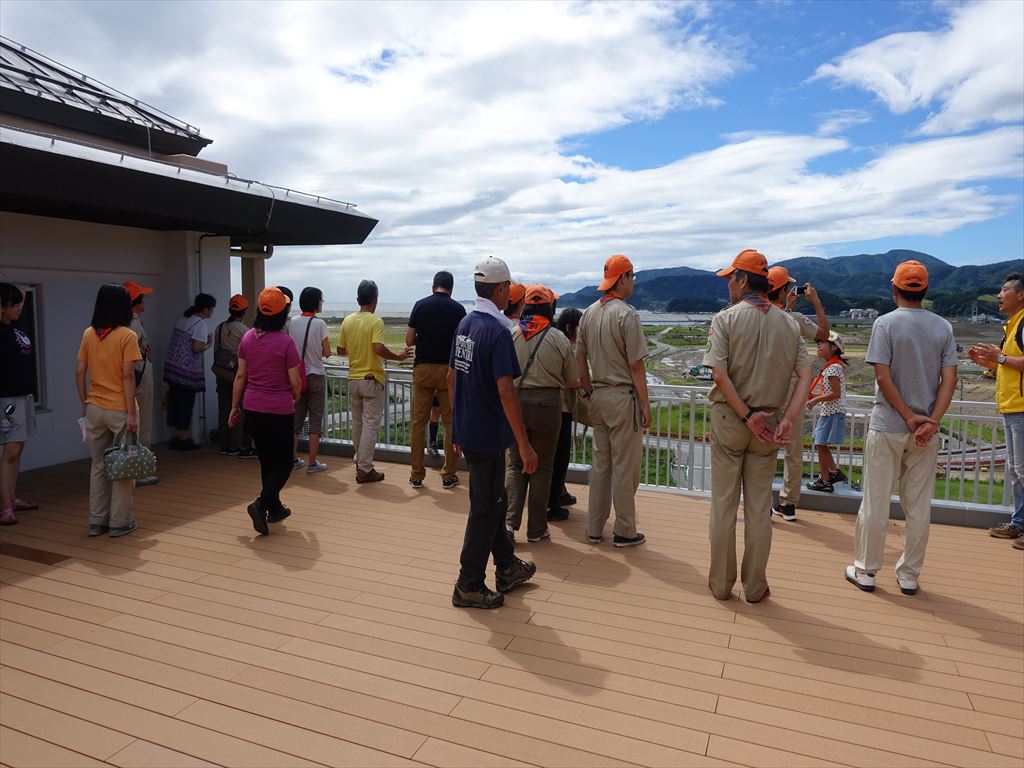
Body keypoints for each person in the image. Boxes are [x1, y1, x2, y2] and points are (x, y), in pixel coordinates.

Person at [703, 249, 810, 602]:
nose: (727, 286)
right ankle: (755, 586)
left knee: (723, 505)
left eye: (730, 278)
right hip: (771, 425)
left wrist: (747, 416)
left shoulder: (725, 319)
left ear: (743, 280)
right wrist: (788, 420)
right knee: (759, 509)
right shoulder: (789, 323)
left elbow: (718, 373)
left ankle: (720, 584)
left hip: (733, 421)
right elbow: (805, 375)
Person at [845, 260, 957, 596]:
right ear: (925, 290)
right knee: (919, 505)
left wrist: (908, 416)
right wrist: (931, 420)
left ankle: (865, 570)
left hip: (888, 425)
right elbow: (949, 379)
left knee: (876, 500)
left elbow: (883, 376)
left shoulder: (885, 323)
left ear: (894, 289)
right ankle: (909, 575)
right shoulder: (943, 327)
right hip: (925, 431)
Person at [449, 257, 537, 608]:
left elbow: (453, 377)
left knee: (494, 501)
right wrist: (524, 444)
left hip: (470, 429)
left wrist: (455, 427)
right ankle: (468, 583)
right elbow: (505, 390)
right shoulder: (498, 331)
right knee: (485, 507)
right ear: (501, 289)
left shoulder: (466, 324)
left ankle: (506, 566)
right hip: (487, 433)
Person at [576, 254, 650, 547]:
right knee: (624, 467)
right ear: (622, 278)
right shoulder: (627, 314)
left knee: (602, 465)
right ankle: (624, 530)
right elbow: (636, 366)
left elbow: (580, 358)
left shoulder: (588, 313)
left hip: (598, 396)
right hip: (622, 397)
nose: (633, 282)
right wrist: (645, 405)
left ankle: (594, 528)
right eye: (632, 277)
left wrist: (587, 390)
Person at [505, 285, 581, 543]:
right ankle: (537, 529)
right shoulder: (558, 338)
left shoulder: (513, 334)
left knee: (515, 465)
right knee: (542, 467)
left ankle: (508, 524)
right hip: (548, 404)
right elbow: (572, 380)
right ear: (548, 307)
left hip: (514, 403)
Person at [229, 287, 302, 536]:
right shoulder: (285, 342)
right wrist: (295, 395)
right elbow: (295, 382)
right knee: (283, 464)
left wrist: (233, 407)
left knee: (266, 461)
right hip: (279, 409)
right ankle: (261, 503)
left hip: (252, 406)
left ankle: (274, 508)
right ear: (283, 313)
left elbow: (240, 375)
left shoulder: (248, 338)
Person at [76, 284, 142, 537]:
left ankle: (96, 521)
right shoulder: (127, 335)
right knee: (124, 466)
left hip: (94, 407)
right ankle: (119, 522)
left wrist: (85, 402)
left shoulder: (88, 334)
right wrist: (132, 414)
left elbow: (79, 371)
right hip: (120, 409)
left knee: (98, 465)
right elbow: (127, 376)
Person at [764, 268, 828, 521]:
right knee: (793, 449)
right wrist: (816, 302)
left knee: (762, 447)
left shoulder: (756, 315)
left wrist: (787, 306)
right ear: (782, 291)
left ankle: (760, 503)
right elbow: (824, 333)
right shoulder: (795, 319)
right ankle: (788, 503)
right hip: (792, 390)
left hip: (763, 389)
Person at [336, 280, 412, 483]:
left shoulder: (347, 321)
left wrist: (357, 349)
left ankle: (359, 460)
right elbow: (378, 348)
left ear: (358, 299)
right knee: (371, 425)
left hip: (353, 379)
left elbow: (340, 351)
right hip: (371, 379)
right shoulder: (376, 321)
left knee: (358, 423)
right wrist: (398, 357)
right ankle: (365, 468)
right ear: (375, 300)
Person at [969, 273, 1024, 549]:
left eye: (1004, 290)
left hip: (1021, 408)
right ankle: (1019, 524)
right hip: (1012, 407)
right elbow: (1009, 365)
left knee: (1023, 471)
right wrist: (988, 362)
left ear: (1021, 294)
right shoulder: (1012, 327)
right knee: (1016, 471)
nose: (999, 296)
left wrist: (999, 357)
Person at [406, 270, 466, 489]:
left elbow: (409, 339)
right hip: (448, 371)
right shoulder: (459, 309)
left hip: (422, 369)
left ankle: (416, 475)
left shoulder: (420, 305)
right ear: (451, 288)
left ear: (433, 286)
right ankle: (448, 474)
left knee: (418, 423)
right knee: (450, 423)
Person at [1, 283, 37, 526]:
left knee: (18, 449)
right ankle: (5, 508)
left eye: (19, 304)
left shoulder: (14, 327)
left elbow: (22, 294)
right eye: (13, 305)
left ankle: (11, 498)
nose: (18, 308)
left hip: (23, 396)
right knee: (11, 452)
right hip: (7, 399)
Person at [163, 293, 215, 449]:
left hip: (172, 368)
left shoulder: (183, 319)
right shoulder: (200, 324)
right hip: (186, 372)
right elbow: (196, 348)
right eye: (212, 308)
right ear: (206, 309)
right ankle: (183, 439)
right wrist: (209, 344)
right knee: (186, 404)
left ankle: (173, 438)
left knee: (173, 404)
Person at [290, 287, 331, 474]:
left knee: (295, 420)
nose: (322, 303)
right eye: (321, 300)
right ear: (316, 303)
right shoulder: (320, 324)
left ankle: (291, 459)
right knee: (315, 421)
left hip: (297, 377)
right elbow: (327, 352)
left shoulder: (293, 321)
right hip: (315, 375)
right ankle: (312, 463)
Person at [548, 307, 584, 521]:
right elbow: (571, 381)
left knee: (550, 457)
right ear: (571, 328)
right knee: (559, 458)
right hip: (561, 408)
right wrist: (587, 384)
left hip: (547, 407)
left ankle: (558, 493)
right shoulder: (566, 346)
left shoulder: (550, 340)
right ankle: (553, 502)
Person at [122, 281, 158, 485]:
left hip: (132, 375)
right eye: (143, 297)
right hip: (139, 373)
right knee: (142, 420)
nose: (146, 300)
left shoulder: (117, 323)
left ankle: (131, 467)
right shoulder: (133, 324)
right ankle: (139, 471)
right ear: (134, 301)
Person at [805, 332, 849, 494]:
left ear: (834, 348)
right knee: (820, 443)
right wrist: (816, 397)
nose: (818, 347)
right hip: (831, 410)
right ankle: (833, 472)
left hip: (832, 412)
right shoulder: (832, 367)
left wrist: (815, 400)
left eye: (822, 344)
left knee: (820, 443)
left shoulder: (832, 369)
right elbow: (832, 393)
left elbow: (835, 394)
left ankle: (825, 480)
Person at [214, 294, 250, 456]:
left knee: (224, 408)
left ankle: (224, 444)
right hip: (238, 373)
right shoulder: (244, 330)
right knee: (238, 409)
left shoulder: (220, 327)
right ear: (244, 311)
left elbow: (216, 351)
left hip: (221, 372)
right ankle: (236, 444)